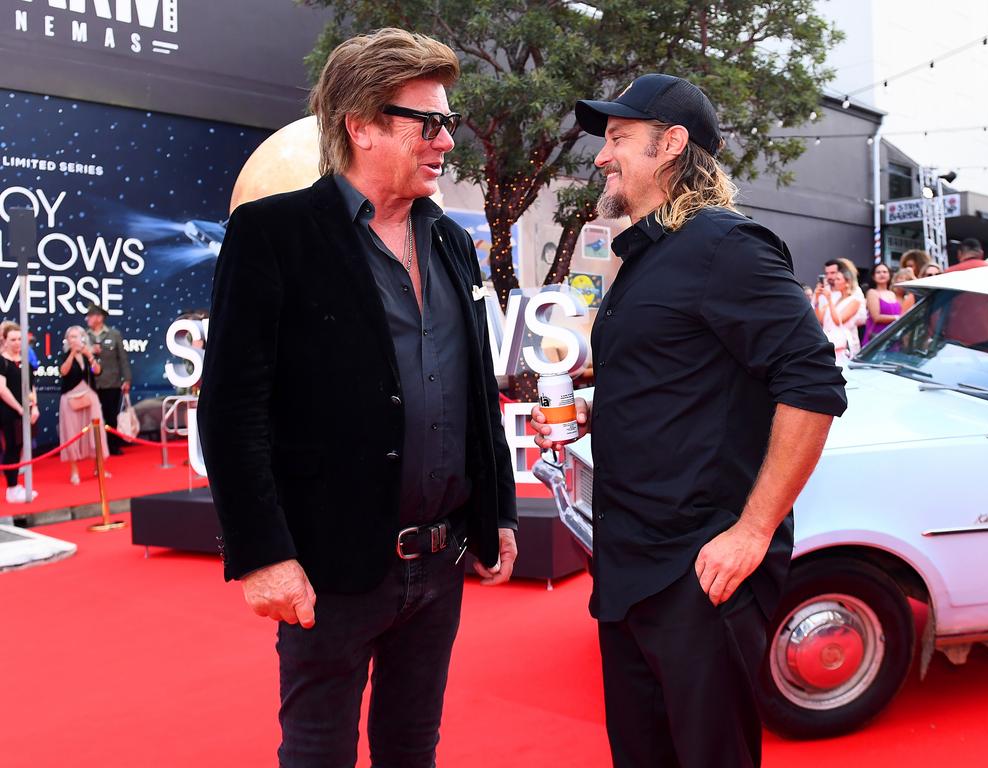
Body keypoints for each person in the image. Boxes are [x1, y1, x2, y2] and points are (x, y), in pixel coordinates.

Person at [197, 28, 518, 768]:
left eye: (449, 123)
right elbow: (232, 407)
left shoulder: (451, 242)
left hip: (440, 562)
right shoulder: (273, 234)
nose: (445, 142)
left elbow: (476, 387)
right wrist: (263, 555)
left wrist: (496, 509)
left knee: (413, 747)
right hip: (331, 566)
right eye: (427, 123)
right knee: (318, 754)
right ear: (363, 125)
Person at [531, 73, 847, 768]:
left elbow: (815, 383)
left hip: (700, 576)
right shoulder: (647, 254)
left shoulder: (727, 246)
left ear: (671, 144)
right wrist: (581, 414)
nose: (601, 158)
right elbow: (673, 383)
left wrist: (754, 531)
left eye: (617, 140)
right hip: (629, 568)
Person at [58, 326, 109, 485]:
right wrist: (73, 354)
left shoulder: (89, 355)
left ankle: (98, 467)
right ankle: (74, 472)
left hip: (90, 396)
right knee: (72, 435)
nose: (75, 339)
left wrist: (89, 355)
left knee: (96, 432)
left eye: (77, 336)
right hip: (70, 399)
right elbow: (63, 371)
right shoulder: (65, 355)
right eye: (71, 337)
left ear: (83, 338)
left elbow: (97, 371)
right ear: (67, 340)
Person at [0, 323, 40, 503]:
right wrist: (18, 408)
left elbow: (31, 387)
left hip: (25, 411)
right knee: (11, 448)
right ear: (5, 341)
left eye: (19, 339)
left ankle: (19, 485)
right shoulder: (2, 361)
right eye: (13, 339)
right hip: (8, 411)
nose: (16, 343)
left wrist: (35, 406)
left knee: (23, 447)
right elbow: (1, 389)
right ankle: (12, 487)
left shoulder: (25, 361)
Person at [85, 304, 131, 455]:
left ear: (99, 318)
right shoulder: (84, 336)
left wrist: (127, 379)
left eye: (91, 316)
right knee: (93, 418)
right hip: (91, 384)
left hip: (112, 382)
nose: (88, 319)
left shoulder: (114, 334)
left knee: (111, 416)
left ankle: (113, 446)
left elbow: (123, 359)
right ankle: (96, 448)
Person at [815, 259, 864, 361]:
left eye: (838, 279)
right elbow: (820, 319)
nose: (833, 280)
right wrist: (817, 298)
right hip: (828, 342)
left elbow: (839, 321)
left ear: (847, 282)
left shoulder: (855, 299)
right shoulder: (835, 298)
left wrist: (828, 299)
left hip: (844, 347)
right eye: (827, 273)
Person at [863, 262, 902, 344]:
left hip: (893, 336)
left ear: (889, 275)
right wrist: (897, 318)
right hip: (878, 336)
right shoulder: (872, 292)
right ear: (873, 276)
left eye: (885, 272)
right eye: (878, 272)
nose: (882, 274)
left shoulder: (892, 293)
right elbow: (876, 317)